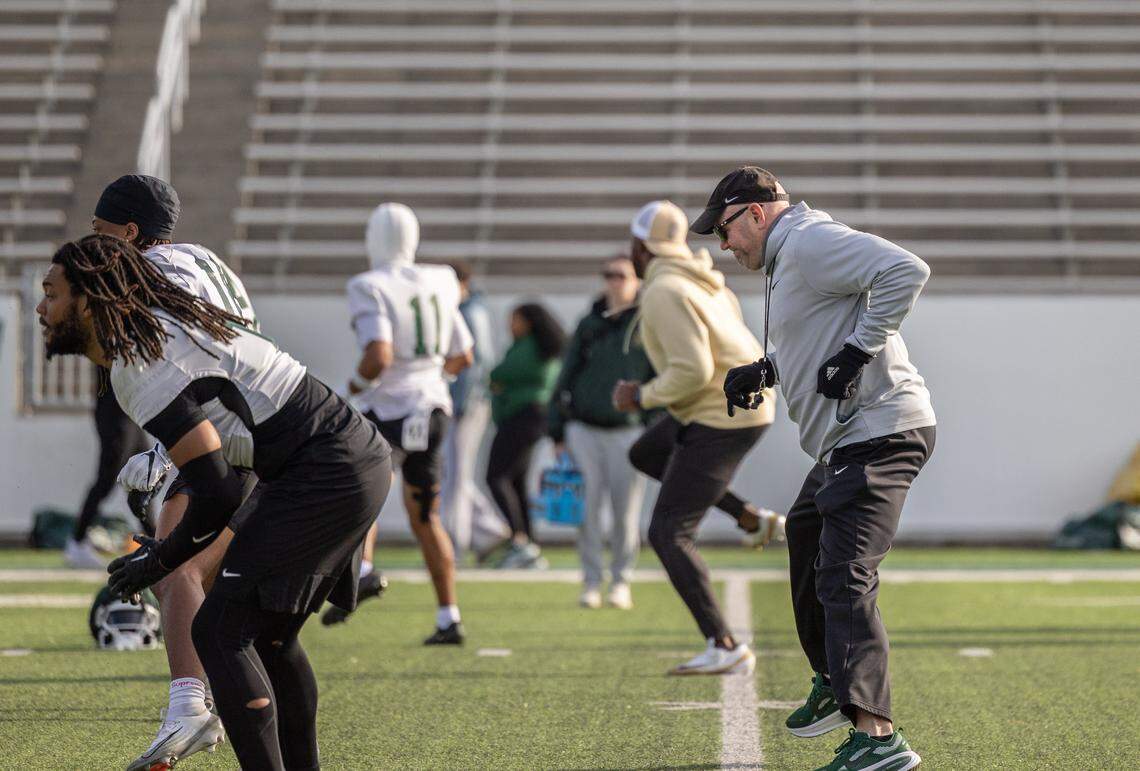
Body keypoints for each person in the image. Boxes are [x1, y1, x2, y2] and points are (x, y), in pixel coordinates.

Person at [39, 234, 392, 769]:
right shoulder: (150, 342)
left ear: (89, 299)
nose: (42, 308)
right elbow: (218, 469)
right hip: (341, 455)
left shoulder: (138, 363)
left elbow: (218, 487)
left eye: (52, 292)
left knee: (220, 630)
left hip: (324, 467)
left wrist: (160, 556)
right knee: (269, 638)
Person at [700, 166, 935, 771]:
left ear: (754, 212)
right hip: (849, 440)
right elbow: (817, 334)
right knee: (804, 535)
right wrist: (768, 369)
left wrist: (858, 351)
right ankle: (834, 681)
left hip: (878, 431)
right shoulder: (789, 254)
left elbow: (905, 270)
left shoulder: (807, 241)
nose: (723, 246)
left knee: (844, 575)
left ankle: (879, 739)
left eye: (725, 230)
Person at [88, 173, 261, 770]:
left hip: (224, 438)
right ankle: (225, 708)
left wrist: (167, 453)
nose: (94, 241)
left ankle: (190, 710)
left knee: (175, 568)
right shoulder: (207, 261)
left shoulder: (147, 275)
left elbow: (187, 366)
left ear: (130, 232)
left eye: (102, 229)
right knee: (209, 587)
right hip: (261, 429)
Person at [613, 200, 782, 676]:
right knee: (648, 452)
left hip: (720, 412)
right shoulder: (700, 279)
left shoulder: (664, 289)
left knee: (668, 531)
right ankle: (748, 516)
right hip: (737, 404)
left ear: (642, 247)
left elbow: (692, 370)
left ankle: (723, 643)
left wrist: (640, 396)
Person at [331, 203, 474, 644]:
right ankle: (449, 616)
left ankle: (366, 571)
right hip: (432, 411)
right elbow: (463, 354)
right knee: (426, 517)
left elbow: (379, 356)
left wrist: (351, 388)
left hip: (386, 409)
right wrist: (431, 377)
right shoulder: (441, 279)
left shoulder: (368, 285)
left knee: (364, 493)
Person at [549, 255, 652, 610]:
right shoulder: (588, 324)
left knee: (626, 512)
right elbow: (565, 377)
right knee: (587, 511)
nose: (614, 281)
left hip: (628, 430)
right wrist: (557, 431)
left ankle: (621, 581)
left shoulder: (647, 324)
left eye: (621, 275)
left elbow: (658, 379)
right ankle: (591, 580)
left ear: (636, 281)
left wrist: (655, 429)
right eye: (608, 275)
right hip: (585, 429)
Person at [440, 261, 510, 561]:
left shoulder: (471, 312)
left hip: (466, 404)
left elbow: (477, 362)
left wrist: (461, 403)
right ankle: (491, 531)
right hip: (458, 402)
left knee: (455, 476)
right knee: (454, 474)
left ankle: (453, 546)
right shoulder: (459, 310)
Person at [485, 303, 564, 569]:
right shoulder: (535, 346)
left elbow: (499, 373)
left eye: (514, 319)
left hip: (523, 417)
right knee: (516, 481)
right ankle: (528, 543)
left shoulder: (531, 347)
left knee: (496, 477)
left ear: (529, 322)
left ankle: (521, 541)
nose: (510, 325)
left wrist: (497, 383)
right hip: (525, 418)